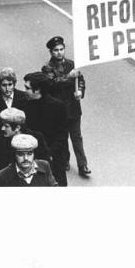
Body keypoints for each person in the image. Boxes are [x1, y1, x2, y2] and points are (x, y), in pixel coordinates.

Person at [42, 36, 90, 177]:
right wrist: (69, 77)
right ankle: (65, 160)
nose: (59, 52)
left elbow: (80, 80)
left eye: (61, 49)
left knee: (77, 137)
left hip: (73, 107)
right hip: (58, 109)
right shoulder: (47, 68)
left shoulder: (71, 64)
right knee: (62, 138)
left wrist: (80, 91)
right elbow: (53, 83)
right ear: (51, 52)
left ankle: (83, 165)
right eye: (56, 50)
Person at [0, 107, 50, 186]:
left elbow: (46, 167)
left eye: (6, 126)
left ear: (17, 128)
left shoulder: (37, 138)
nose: (2, 128)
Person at [24, 71, 69, 186]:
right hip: (30, 158)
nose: (25, 91)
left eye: (27, 88)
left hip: (53, 160)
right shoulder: (24, 106)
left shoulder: (58, 107)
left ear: (38, 90)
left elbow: (62, 135)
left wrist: (49, 153)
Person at [0, 68, 30, 139]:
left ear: (14, 84)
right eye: (4, 85)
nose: (7, 88)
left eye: (10, 84)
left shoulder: (25, 98)